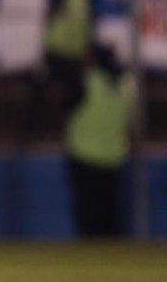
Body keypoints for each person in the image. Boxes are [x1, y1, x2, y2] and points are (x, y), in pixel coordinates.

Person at [64, 42, 133, 237]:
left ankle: (91, 259)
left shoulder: (86, 81)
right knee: (110, 213)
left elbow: (66, 103)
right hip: (113, 157)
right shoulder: (127, 84)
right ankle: (113, 257)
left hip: (84, 156)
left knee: (88, 215)